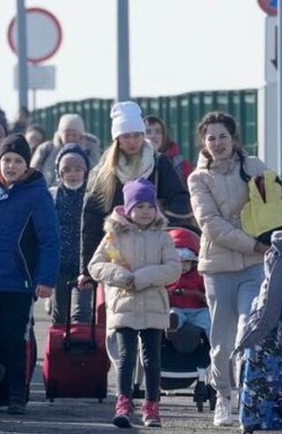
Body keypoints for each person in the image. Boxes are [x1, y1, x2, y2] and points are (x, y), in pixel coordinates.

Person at [188, 111, 282, 427]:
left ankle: (248, 397)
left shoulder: (253, 166)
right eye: (211, 138)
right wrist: (254, 244)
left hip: (255, 266)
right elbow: (211, 225)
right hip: (218, 266)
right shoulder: (198, 178)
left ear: (234, 139)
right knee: (221, 340)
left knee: (250, 329)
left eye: (223, 137)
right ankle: (222, 397)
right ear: (204, 143)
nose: (218, 143)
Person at [0, 134, 59, 414]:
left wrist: (46, 279)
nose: (11, 166)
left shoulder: (37, 194)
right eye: (6, 160)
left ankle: (16, 393)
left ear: (27, 164)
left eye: (17, 161)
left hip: (20, 282)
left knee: (14, 340)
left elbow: (50, 239)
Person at [88, 177, 181, 428]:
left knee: (152, 358)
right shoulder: (113, 236)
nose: (145, 212)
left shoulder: (162, 237)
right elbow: (96, 265)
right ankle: (124, 402)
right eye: (139, 206)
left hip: (153, 304)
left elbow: (173, 268)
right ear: (128, 208)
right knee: (126, 356)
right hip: (123, 304)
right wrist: (121, 277)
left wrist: (142, 278)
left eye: (150, 206)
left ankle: (152, 405)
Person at [78, 101, 192, 291]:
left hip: (154, 253)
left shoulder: (158, 164)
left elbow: (180, 199)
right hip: (118, 257)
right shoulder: (104, 172)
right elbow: (91, 220)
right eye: (126, 136)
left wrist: (159, 219)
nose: (132, 142)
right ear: (117, 139)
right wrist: (87, 269)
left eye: (137, 135)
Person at [48, 143, 92, 324]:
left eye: (77, 169)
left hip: (85, 264)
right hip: (60, 264)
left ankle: (81, 350)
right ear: (59, 173)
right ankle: (59, 350)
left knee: (81, 314)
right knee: (60, 313)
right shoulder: (53, 195)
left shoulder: (91, 195)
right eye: (67, 170)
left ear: (85, 171)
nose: (72, 174)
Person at [31, 114, 99, 187]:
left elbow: (97, 174)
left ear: (81, 136)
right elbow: (33, 173)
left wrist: (82, 153)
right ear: (60, 135)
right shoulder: (46, 149)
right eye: (67, 135)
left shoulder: (90, 149)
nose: (70, 139)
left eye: (74, 135)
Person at [166, 227, 210, 336]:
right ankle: (172, 326)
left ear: (193, 263)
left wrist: (201, 296)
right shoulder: (167, 276)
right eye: (179, 263)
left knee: (208, 320)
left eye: (186, 263)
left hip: (197, 309)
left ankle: (214, 345)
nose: (182, 267)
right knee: (173, 314)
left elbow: (206, 293)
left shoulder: (199, 275)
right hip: (176, 308)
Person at [144, 115, 192, 184]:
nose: (153, 136)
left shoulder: (181, 165)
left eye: (158, 132)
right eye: (148, 132)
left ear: (164, 136)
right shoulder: (133, 161)